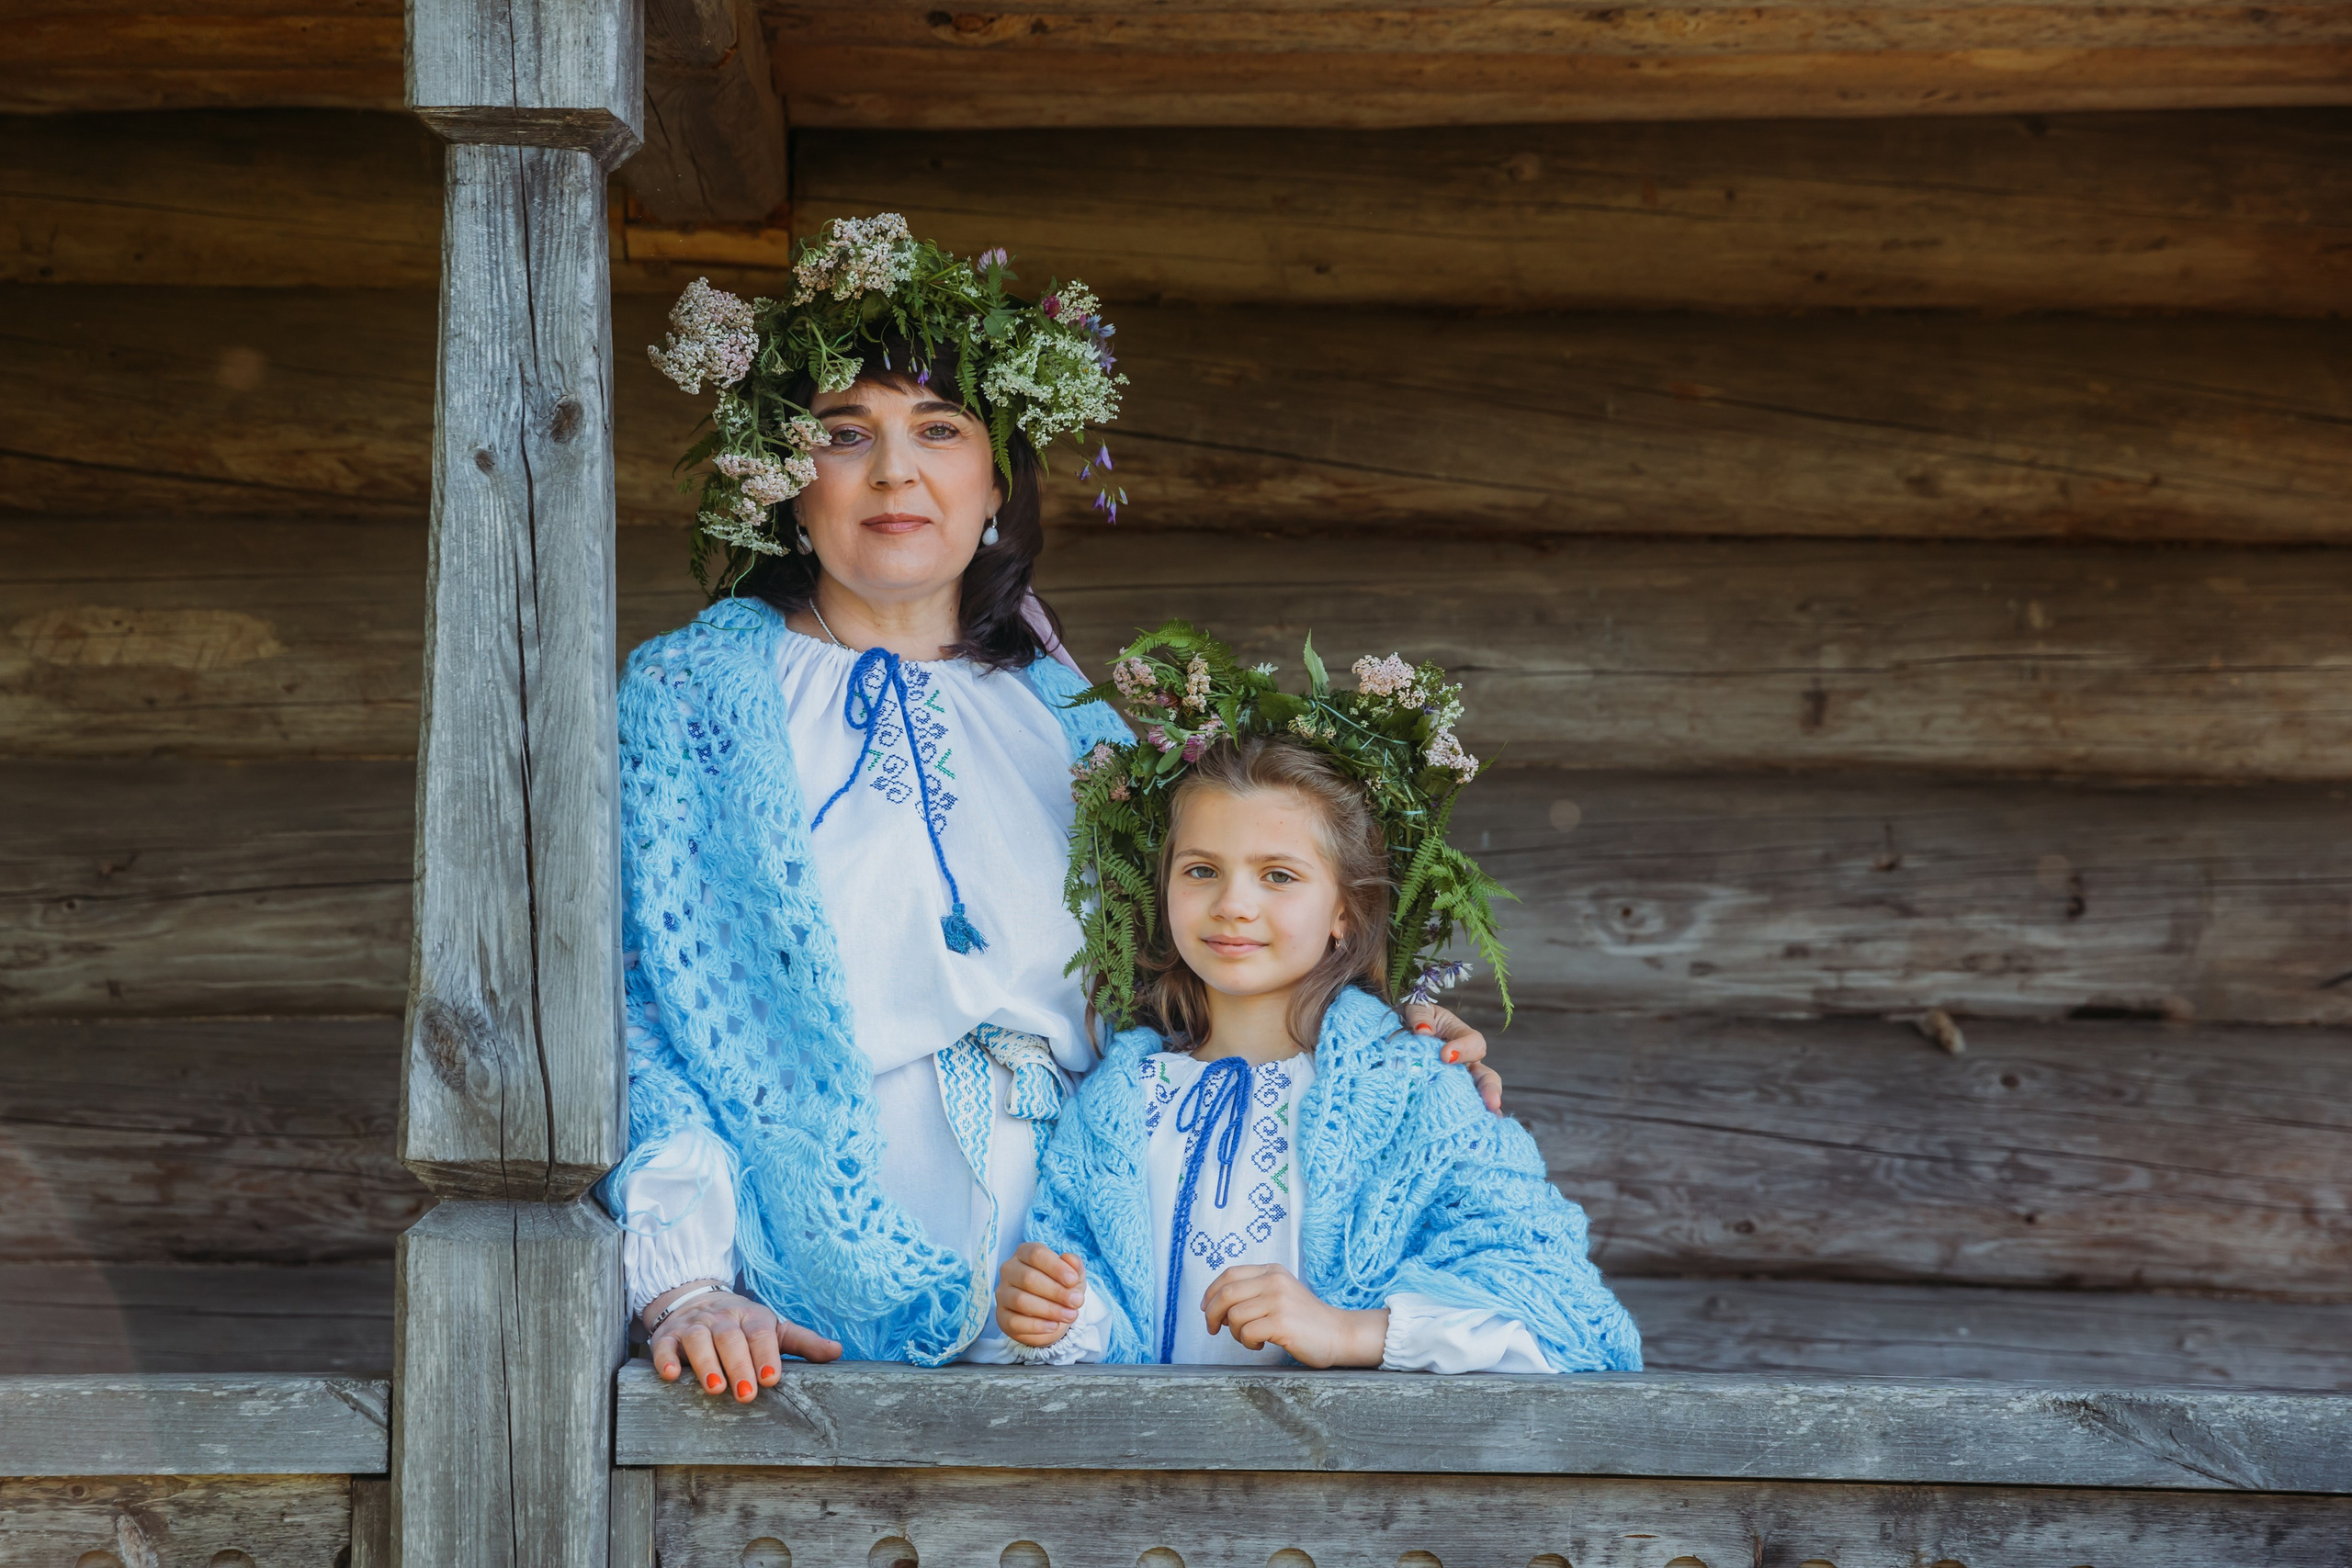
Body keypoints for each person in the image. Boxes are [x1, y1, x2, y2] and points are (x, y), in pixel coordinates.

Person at [607, 216, 1503, 1400]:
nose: (894, 472)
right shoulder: (695, 697)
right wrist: (685, 1277)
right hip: (803, 1270)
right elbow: (642, 1006)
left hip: (1098, 1267)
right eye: (844, 434)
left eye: (939, 430)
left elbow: (1203, 981)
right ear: (783, 481)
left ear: (993, 481)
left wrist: (1376, 1049)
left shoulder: (1072, 721)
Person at [996, 631, 1642, 1371]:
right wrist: (1059, 1311)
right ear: (1164, 886)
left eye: (1278, 875)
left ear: (1344, 910)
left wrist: (1347, 1330)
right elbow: (1096, 1300)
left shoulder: (1409, 1090)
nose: (1233, 903)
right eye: (1202, 869)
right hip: (1154, 1474)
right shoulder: (1116, 1102)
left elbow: (1561, 1311)